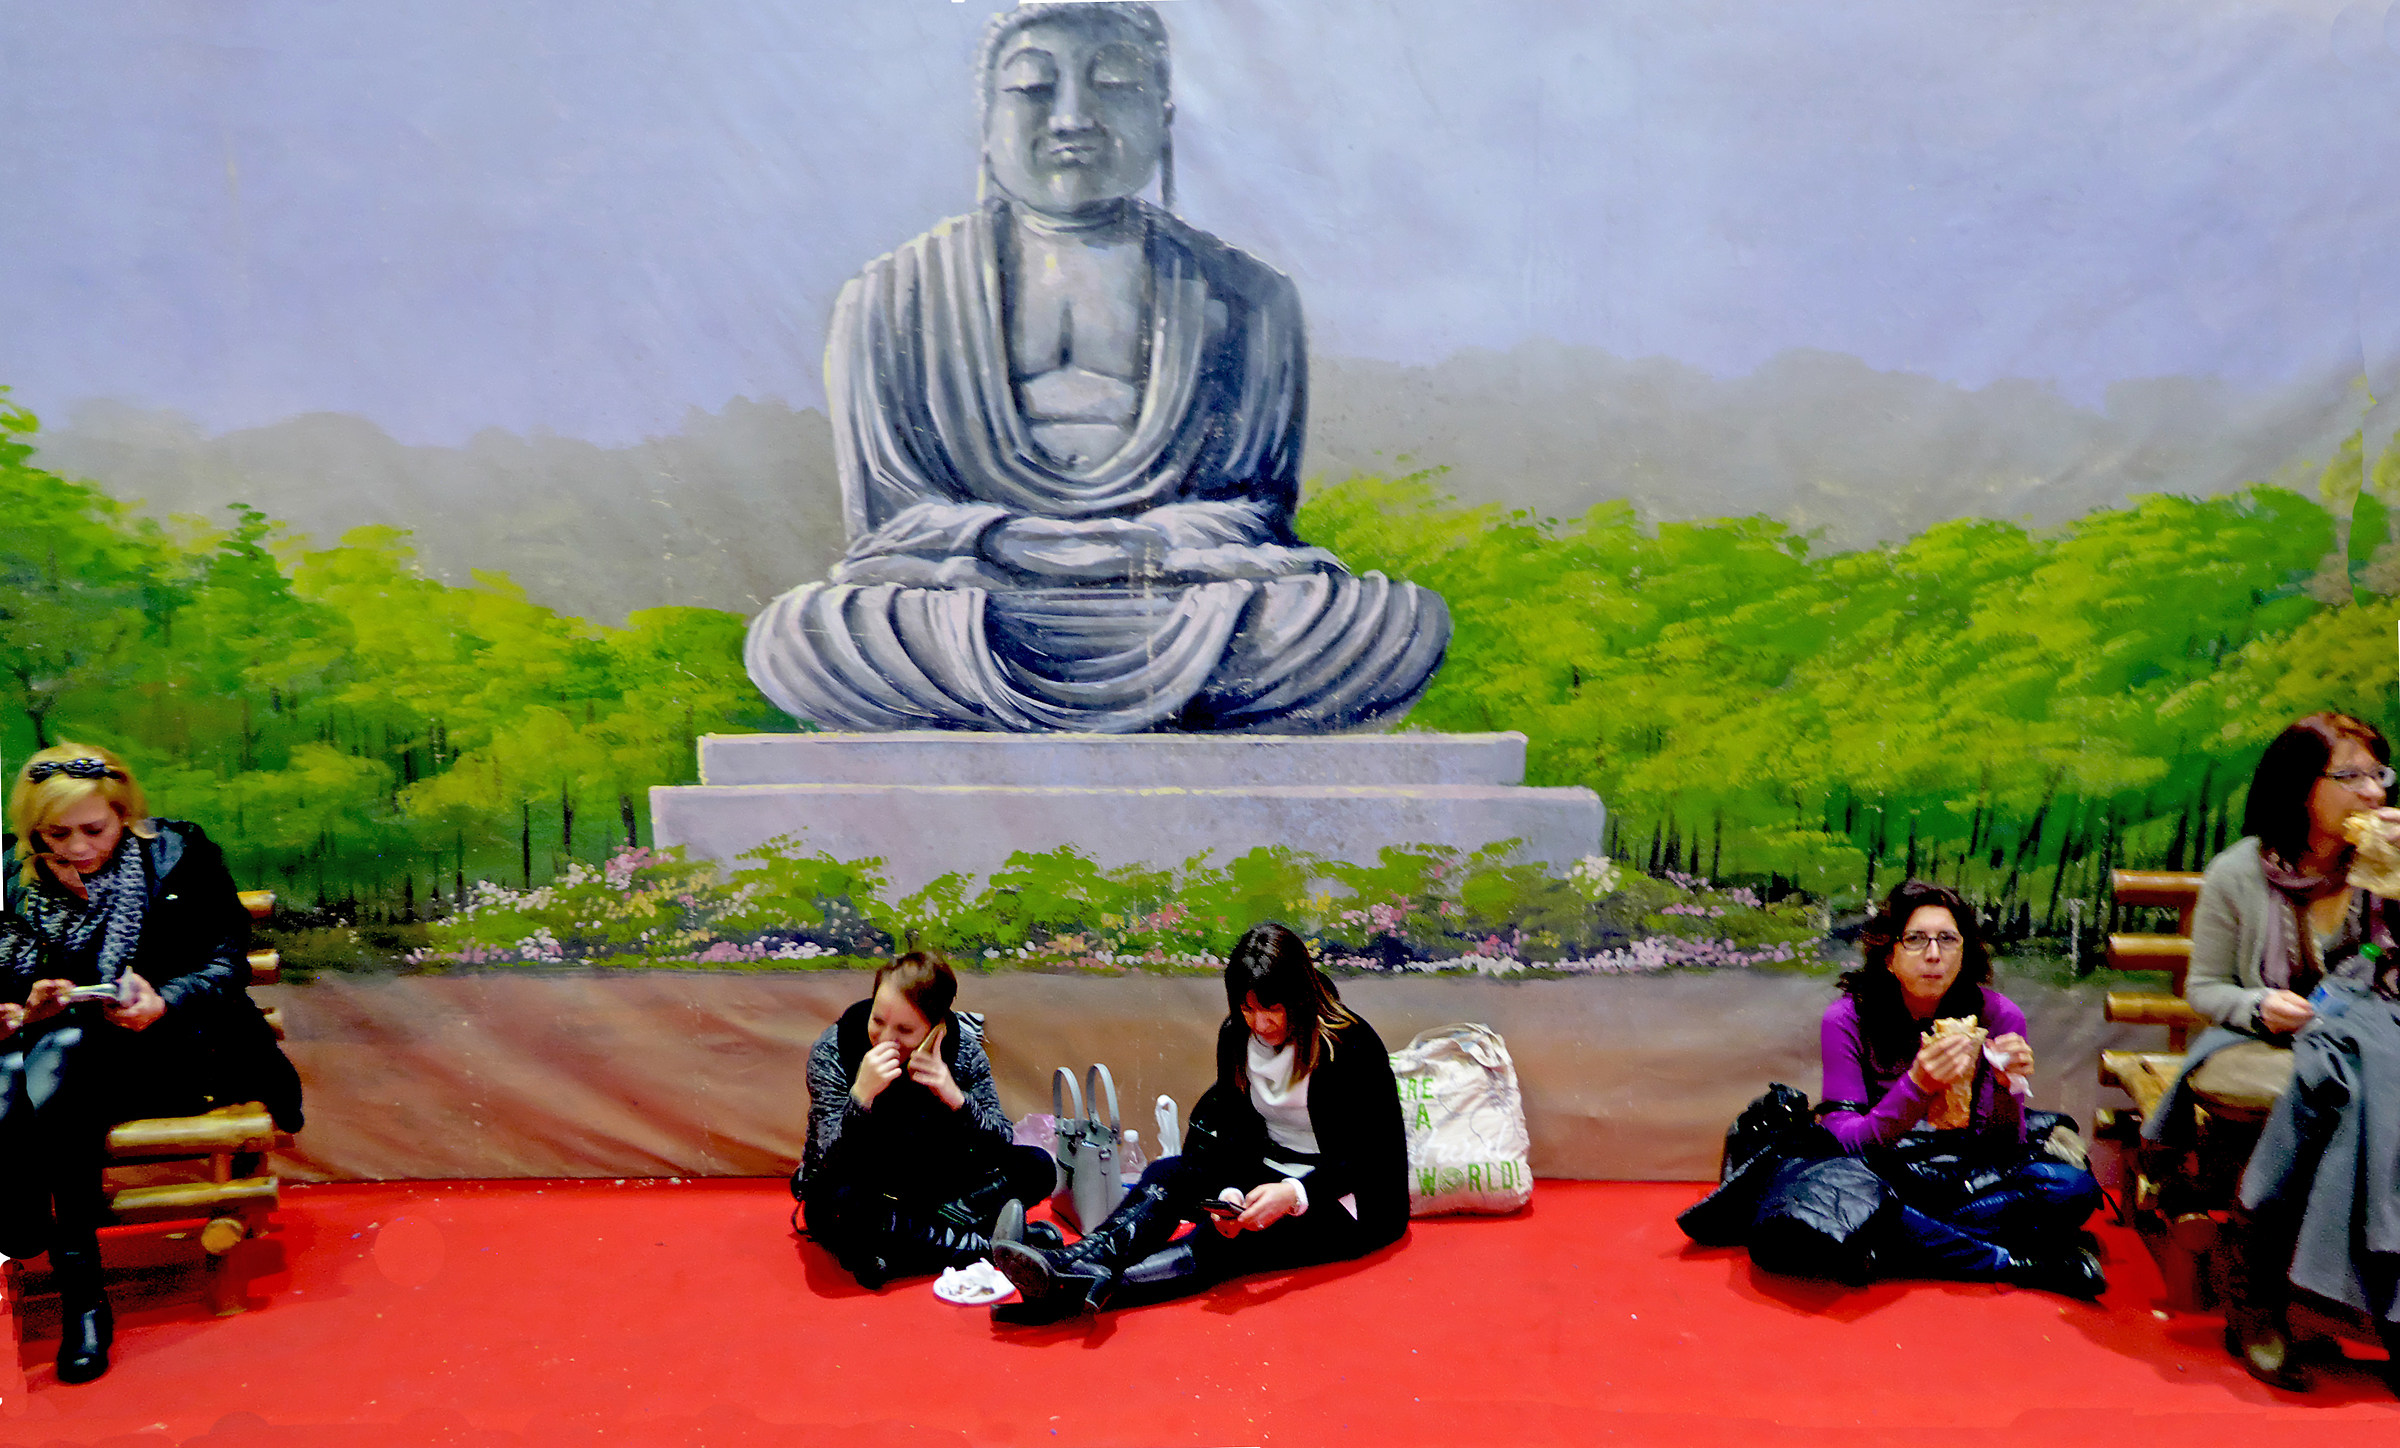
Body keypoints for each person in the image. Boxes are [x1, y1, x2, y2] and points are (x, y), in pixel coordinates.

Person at [742, 0, 1449, 733]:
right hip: (975, 604)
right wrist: (1020, 543)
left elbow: (1256, 511)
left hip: (1186, 601)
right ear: (985, 120)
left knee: (1386, 624)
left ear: (1165, 115)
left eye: (1114, 83)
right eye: (1033, 88)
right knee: (808, 638)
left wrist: (1141, 545)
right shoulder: (892, 296)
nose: (1074, 115)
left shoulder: (1247, 296)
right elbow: (892, 522)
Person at [1, 743, 303, 1384]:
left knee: (44, 1067)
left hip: (178, 1050)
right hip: (54, 1058)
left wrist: (162, 999)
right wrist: (22, 1002)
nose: (78, 847)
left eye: (94, 829)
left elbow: (224, 965)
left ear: (127, 816)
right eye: (57, 834)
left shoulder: (179, 854)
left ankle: (57, 1264)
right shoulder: (13, 871)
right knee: (37, 1065)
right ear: (32, 831)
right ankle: (80, 1286)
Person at [2144, 711, 2400, 1388]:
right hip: (2259, 1033)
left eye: (2380, 774)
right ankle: (2257, 1297)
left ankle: (2358, 1309)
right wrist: (2257, 1005)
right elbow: (2206, 988)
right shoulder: (2240, 872)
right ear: (2301, 788)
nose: (2374, 793)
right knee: (2330, 1087)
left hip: (2372, 1028)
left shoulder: (2387, 862)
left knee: (2366, 1080)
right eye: (2352, 776)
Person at [989, 921, 1407, 1322]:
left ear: (1297, 997)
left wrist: (1293, 1194)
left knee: (1222, 1246)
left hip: (1345, 1200)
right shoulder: (1237, 1036)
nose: (1260, 1023)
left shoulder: (1349, 1043)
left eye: (1272, 1010)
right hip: (1271, 1171)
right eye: (1247, 1009)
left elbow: (1369, 1158)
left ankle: (1070, 1289)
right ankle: (1077, 1261)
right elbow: (1233, 1130)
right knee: (1168, 1174)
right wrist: (1228, 1195)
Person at [1798, 880, 2104, 1296]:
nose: (1934, 954)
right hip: (1882, 1176)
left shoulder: (1998, 1016)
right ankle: (2014, 1261)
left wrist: (2006, 1087)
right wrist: (1917, 1087)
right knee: (1830, 1192)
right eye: (1916, 940)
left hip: (1961, 1173)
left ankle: (1904, 1248)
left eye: (1947, 939)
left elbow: (2001, 1147)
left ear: (1964, 953)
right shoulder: (1847, 1018)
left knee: (2071, 1187)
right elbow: (1845, 1142)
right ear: (1889, 956)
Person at [796, 952, 1058, 1288]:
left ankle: (907, 1248)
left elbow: (1000, 1143)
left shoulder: (963, 1053)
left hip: (939, 1189)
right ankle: (985, 1246)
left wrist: (954, 1097)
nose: (885, 1039)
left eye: (905, 1030)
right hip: (867, 1189)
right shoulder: (834, 1050)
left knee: (1036, 1165)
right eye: (877, 1021)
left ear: (935, 1028)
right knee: (840, 1209)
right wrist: (861, 1097)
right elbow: (823, 1165)